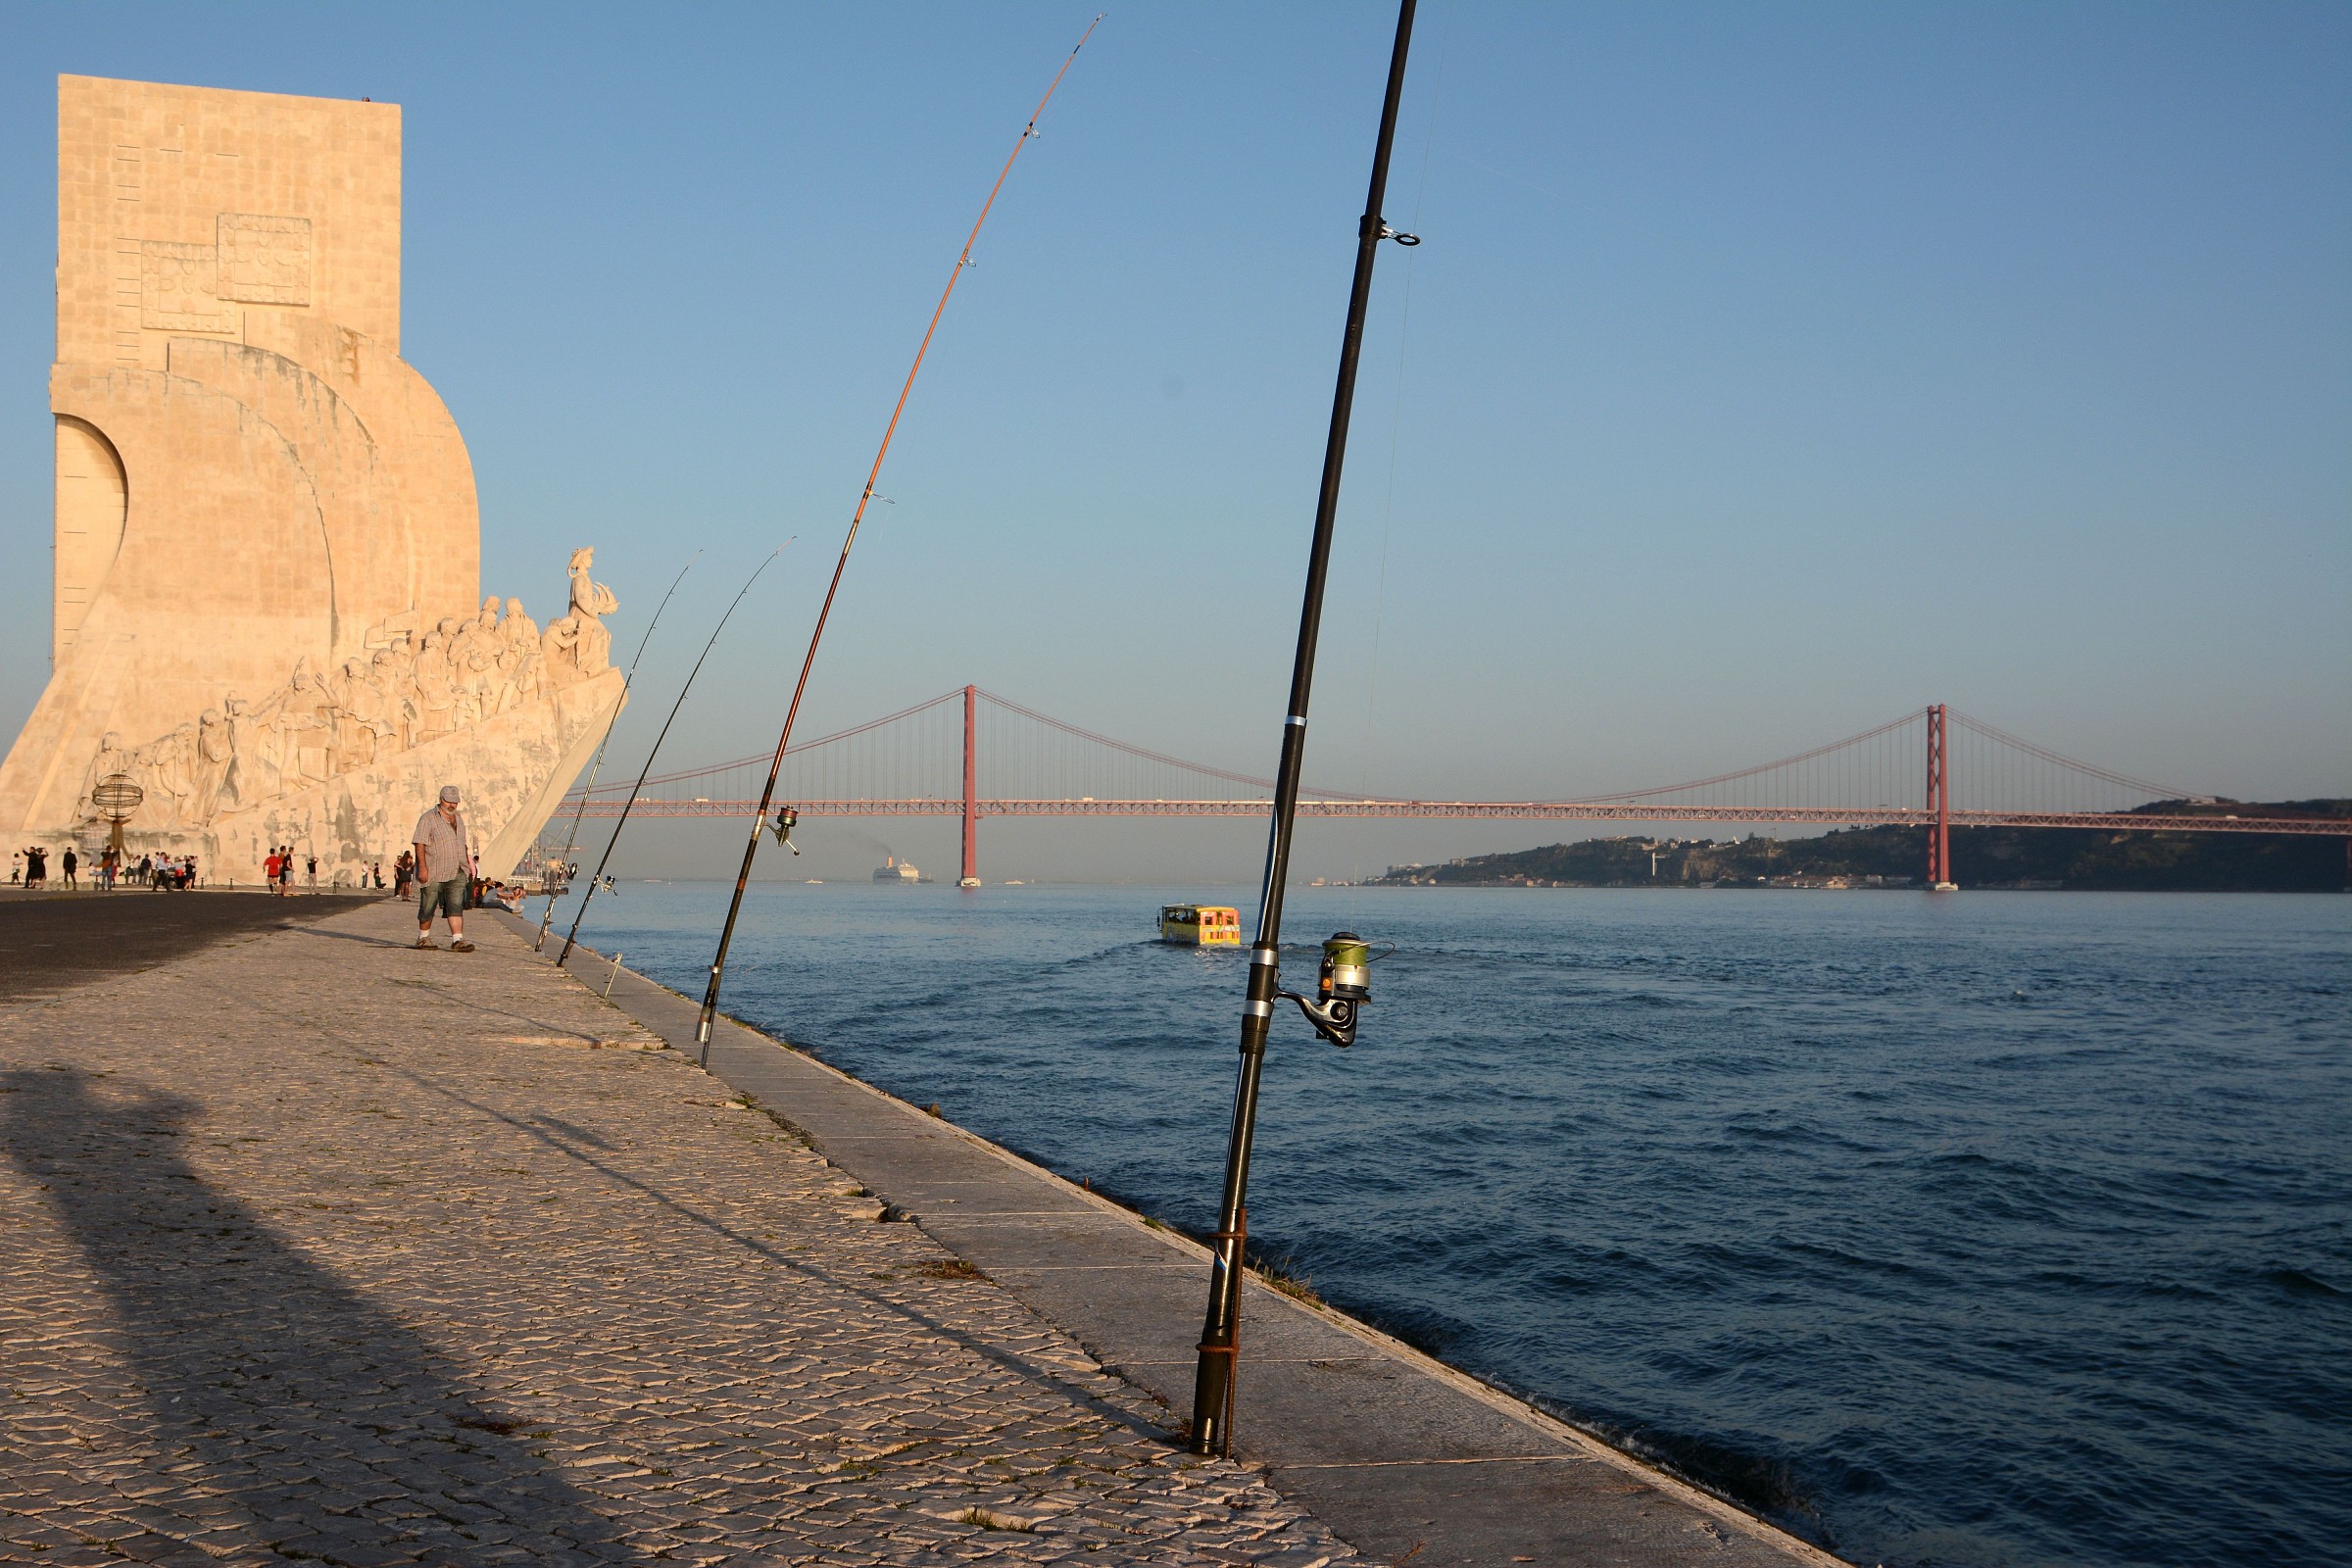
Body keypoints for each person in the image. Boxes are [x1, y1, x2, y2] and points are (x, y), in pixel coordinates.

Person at [412, 785, 476, 952]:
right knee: (428, 905)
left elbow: (462, 843)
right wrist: (423, 868)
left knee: (456, 905)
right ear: (441, 800)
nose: (452, 805)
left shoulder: (458, 818)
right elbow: (420, 843)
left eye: (455, 802)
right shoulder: (428, 818)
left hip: (457, 869)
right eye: (449, 801)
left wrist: (468, 866)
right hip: (434, 869)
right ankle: (423, 938)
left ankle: (457, 940)